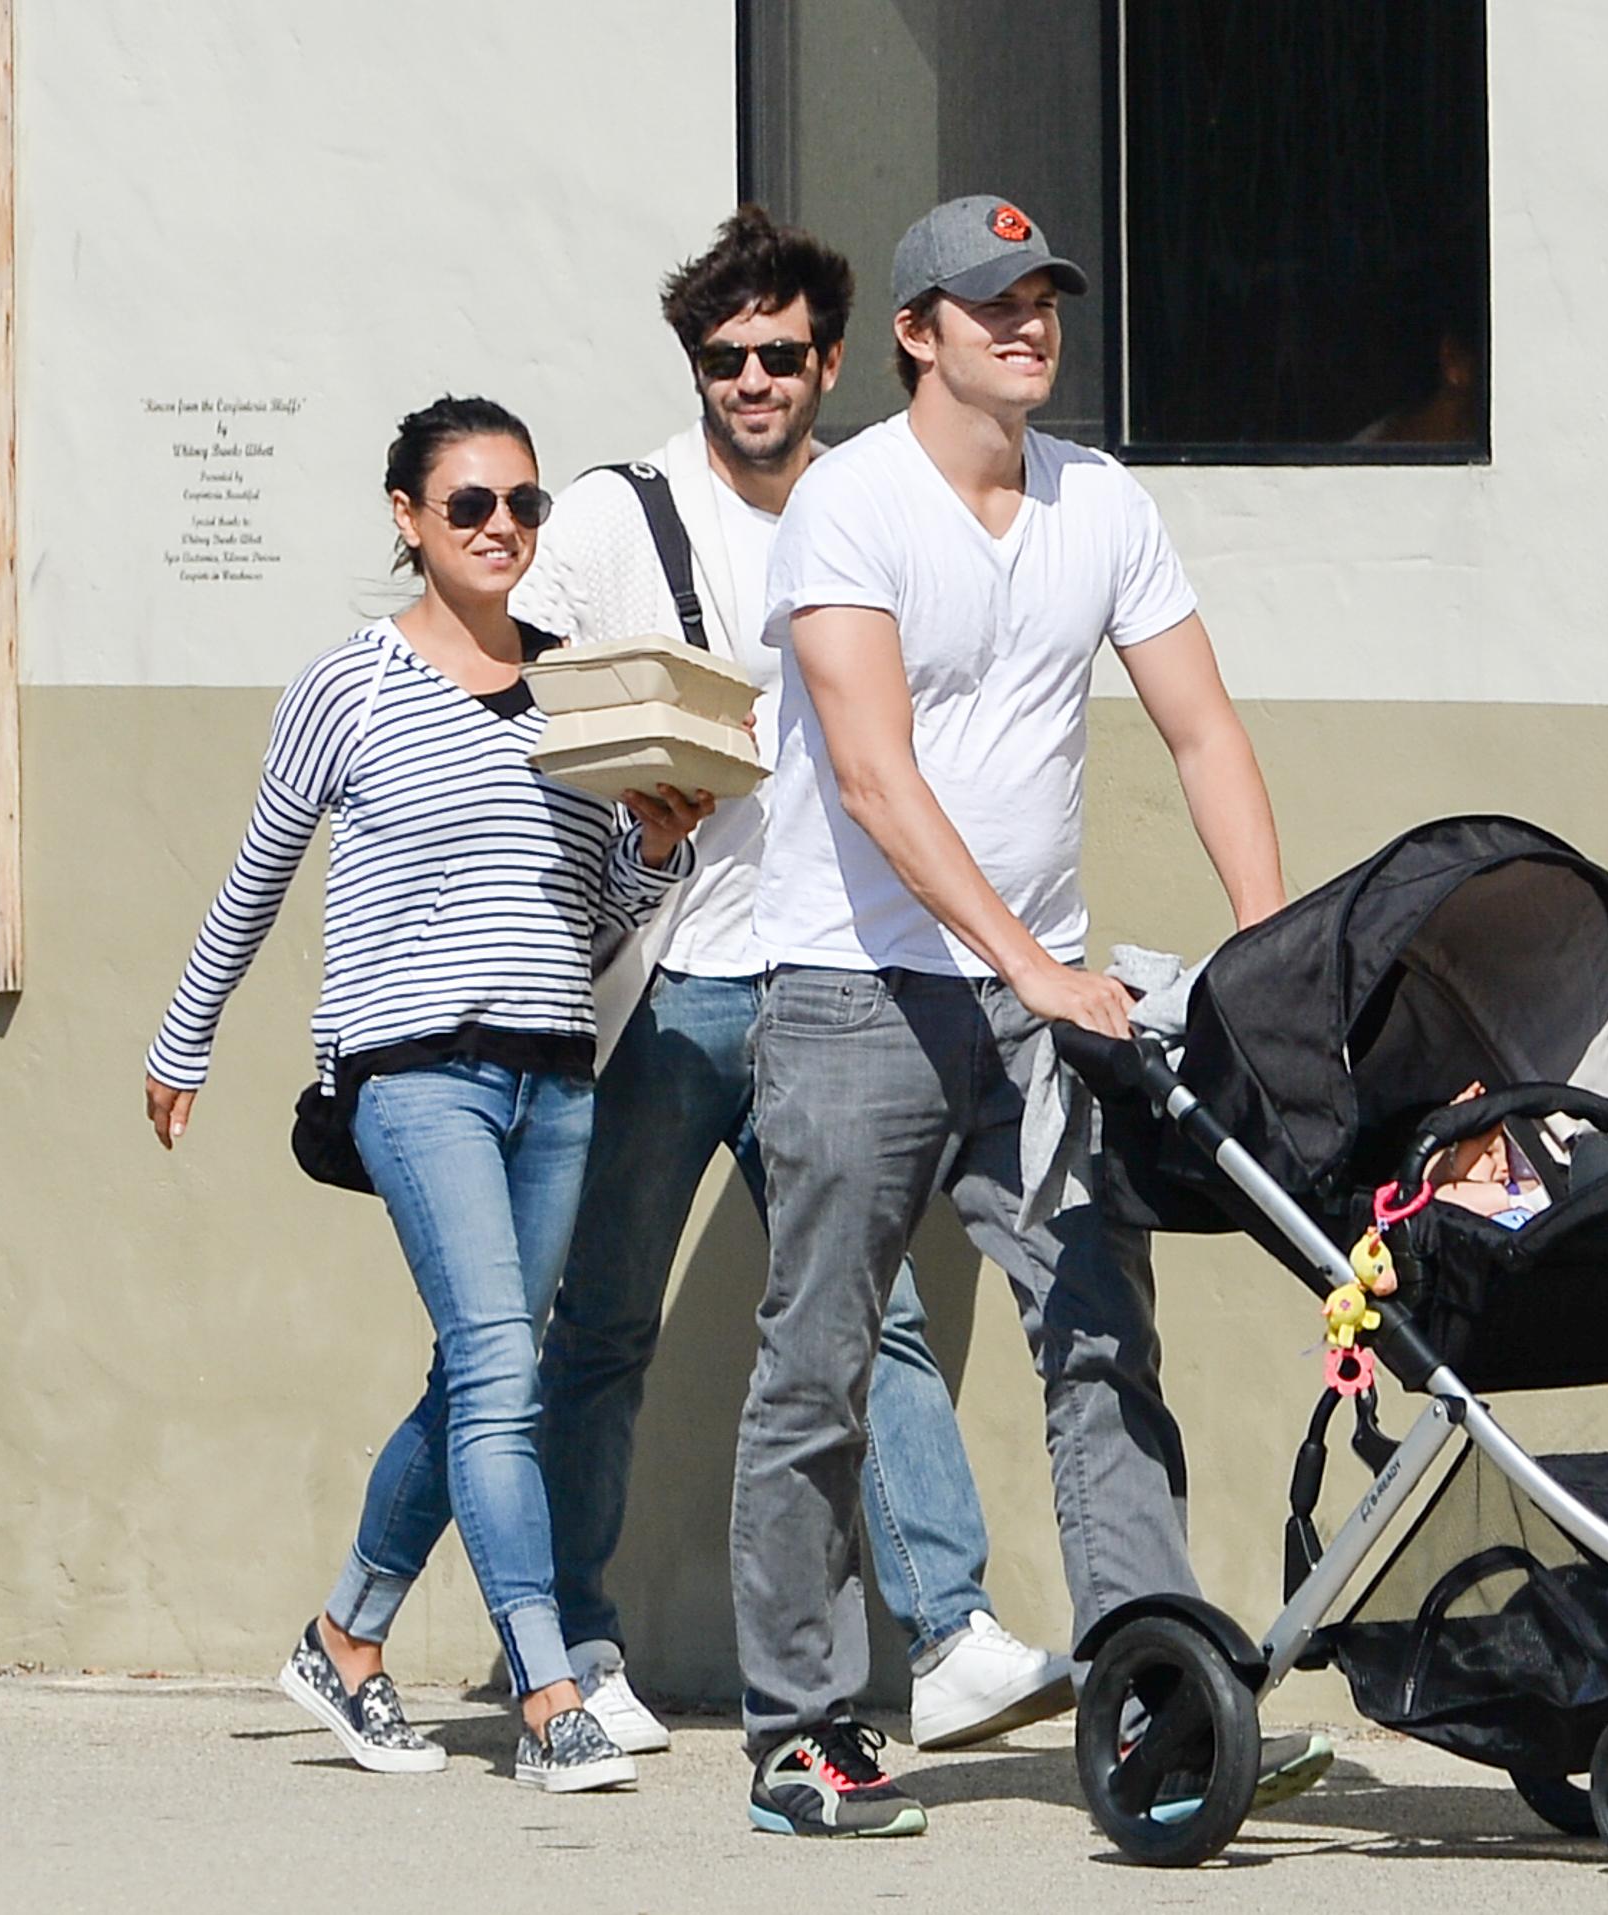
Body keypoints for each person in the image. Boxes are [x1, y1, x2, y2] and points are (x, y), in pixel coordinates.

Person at [729, 193, 1326, 1838]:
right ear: (916, 334)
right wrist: (1025, 964)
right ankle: (801, 1730)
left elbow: (1202, 733)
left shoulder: (1100, 502)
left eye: (1043, 298)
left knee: (1102, 1340)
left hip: (1041, 1002)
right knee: (820, 1361)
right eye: (989, 303)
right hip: (857, 996)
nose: (1027, 325)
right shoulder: (848, 507)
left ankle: (1158, 1703)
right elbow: (869, 772)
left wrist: (1267, 962)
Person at [509, 208, 1069, 1759]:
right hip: (674, 976)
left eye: (774, 355)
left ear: (832, 360)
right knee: (606, 1322)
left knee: (866, 1320)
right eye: (720, 358)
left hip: (830, 977)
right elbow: (526, 707)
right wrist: (625, 794)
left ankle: (947, 1634)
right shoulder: (623, 511)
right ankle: (575, 1641)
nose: (748, 380)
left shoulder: (884, 502)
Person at [142, 396, 711, 1793]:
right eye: (469, 506)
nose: (502, 528)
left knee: (480, 1373)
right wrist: (184, 1038)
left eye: (522, 504)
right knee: (507, 1378)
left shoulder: (585, 686)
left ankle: (343, 1641)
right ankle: (546, 1693)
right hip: (413, 1074)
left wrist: (656, 842)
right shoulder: (354, 685)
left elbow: (598, 907)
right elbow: (258, 872)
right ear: (409, 520)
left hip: (554, 1077)